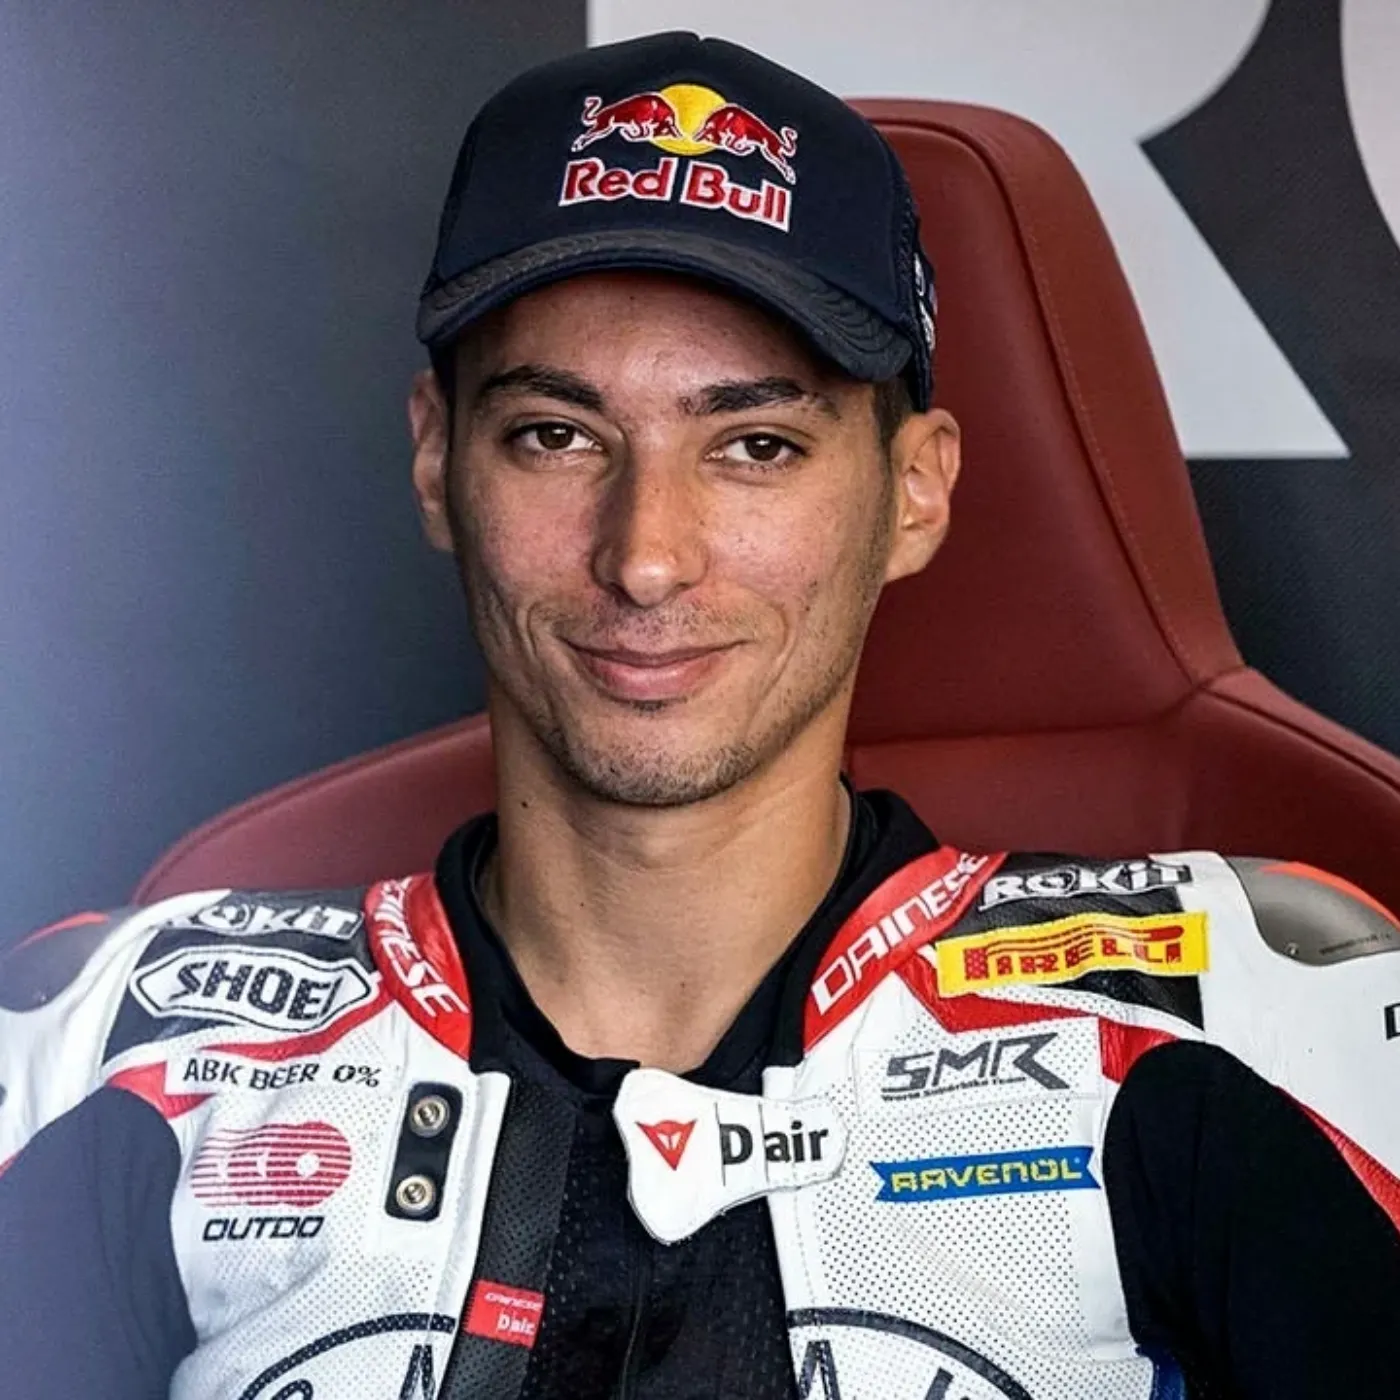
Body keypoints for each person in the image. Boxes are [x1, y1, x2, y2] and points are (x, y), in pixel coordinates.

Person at [1, 29, 1399, 1400]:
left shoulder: (1218, 1022)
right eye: (556, 435)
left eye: (755, 445)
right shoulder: (129, 1055)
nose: (647, 557)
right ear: (437, 462)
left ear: (916, 491)